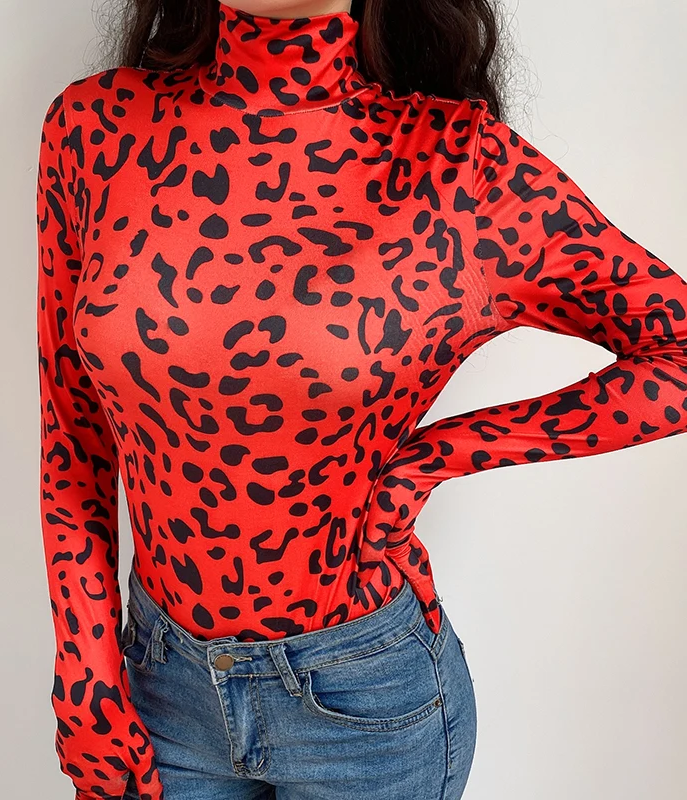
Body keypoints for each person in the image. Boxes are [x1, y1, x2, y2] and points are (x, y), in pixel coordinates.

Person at [35, 1, 687, 798]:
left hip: (366, 707)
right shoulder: (95, 131)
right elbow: (73, 433)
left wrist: (433, 460)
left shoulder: (459, 165)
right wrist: (86, 666)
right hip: (159, 688)